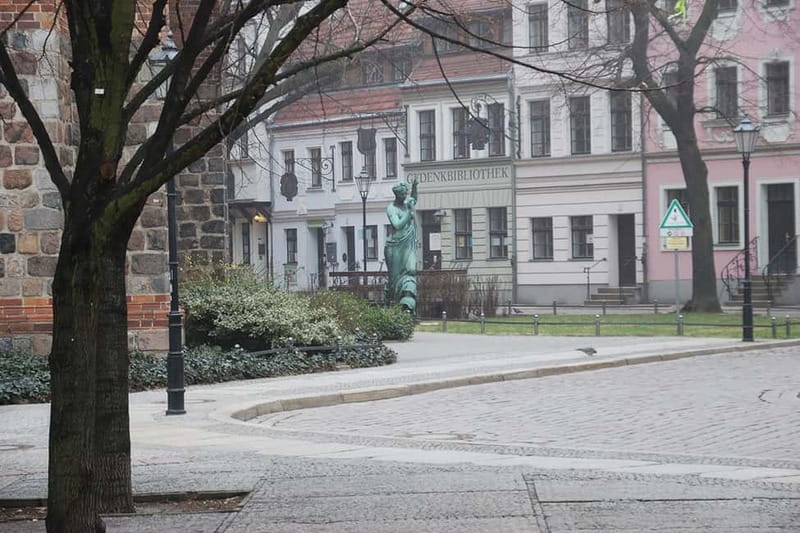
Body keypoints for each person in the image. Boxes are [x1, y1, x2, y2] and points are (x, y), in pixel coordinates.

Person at [384, 178, 418, 315]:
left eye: (406, 193)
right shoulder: (391, 209)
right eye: (403, 194)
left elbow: (414, 198)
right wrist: (409, 213)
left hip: (407, 244)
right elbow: (397, 225)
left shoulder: (407, 203)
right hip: (395, 247)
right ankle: (393, 304)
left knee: (411, 270)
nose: (405, 196)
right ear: (397, 195)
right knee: (395, 278)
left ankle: (408, 303)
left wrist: (415, 187)